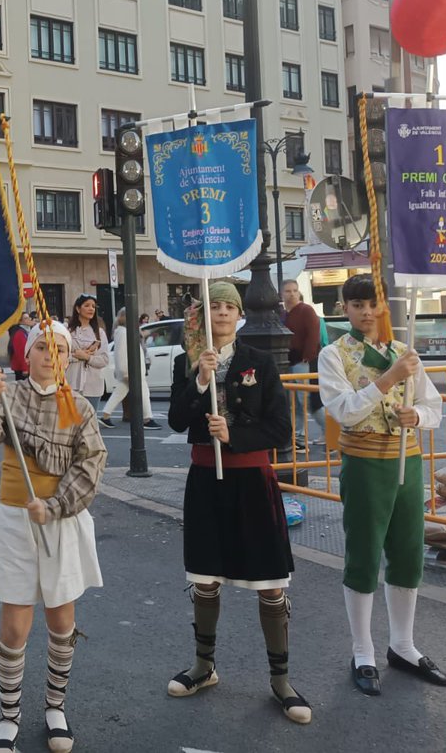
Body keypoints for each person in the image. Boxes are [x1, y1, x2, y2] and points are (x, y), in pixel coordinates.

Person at [165, 281, 311, 725]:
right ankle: (204, 666)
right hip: (205, 480)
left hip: (252, 480)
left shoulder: (260, 363)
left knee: (270, 582)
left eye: (229, 305)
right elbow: (175, 420)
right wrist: (201, 381)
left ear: (239, 314)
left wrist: (236, 436)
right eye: (216, 306)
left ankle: (281, 678)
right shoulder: (186, 362)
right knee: (205, 578)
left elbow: (280, 431)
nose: (223, 313)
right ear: (205, 316)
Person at [0, 321, 106, 752]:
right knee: (14, 626)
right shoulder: (8, 394)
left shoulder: (79, 406)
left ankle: (55, 707)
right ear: (28, 354)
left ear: (68, 358)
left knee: (62, 620)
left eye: (59, 350)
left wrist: (56, 505)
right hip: (13, 519)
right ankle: (9, 717)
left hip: (60, 521)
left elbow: (92, 464)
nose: (50, 356)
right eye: (42, 347)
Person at [318, 274, 446, 697]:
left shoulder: (404, 353)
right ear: (345, 308)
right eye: (357, 304)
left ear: (384, 307)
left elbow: (433, 405)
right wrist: (390, 379)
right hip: (365, 463)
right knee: (364, 555)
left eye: (372, 303)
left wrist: (418, 418)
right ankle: (362, 651)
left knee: (409, 553)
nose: (366, 311)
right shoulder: (333, 355)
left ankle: (403, 644)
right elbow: (345, 412)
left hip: (407, 460)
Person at [99, 308, 160, 431]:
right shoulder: (124, 333)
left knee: (119, 392)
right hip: (131, 370)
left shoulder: (122, 332)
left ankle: (105, 416)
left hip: (129, 370)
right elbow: (121, 353)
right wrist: (125, 371)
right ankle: (147, 419)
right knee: (143, 392)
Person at [281, 280, 323, 447]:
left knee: (305, 401)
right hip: (291, 361)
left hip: (302, 361)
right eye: (288, 291)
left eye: (295, 290)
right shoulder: (285, 314)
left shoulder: (305, 310)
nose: (292, 294)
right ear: (282, 294)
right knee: (296, 403)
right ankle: (298, 438)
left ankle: (302, 437)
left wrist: (308, 355)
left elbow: (314, 333)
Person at [65, 294, 109, 409]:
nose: (91, 309)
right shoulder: (67, 331)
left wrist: (87, 357)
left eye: (93, 306)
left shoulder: (99, 333)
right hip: (71, 383)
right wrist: (76, 356)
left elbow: (104, 360)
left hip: (93, 386)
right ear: (78, 308)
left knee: (90, 422)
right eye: (87, 305)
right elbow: (60, 356)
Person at [8, 312, 35, 382]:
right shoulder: (19, 333)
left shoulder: (25, 331)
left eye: (29, 317)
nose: (29, 319)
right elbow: (21, 352)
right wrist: (25, 368)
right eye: (26, 318)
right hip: (21, 367)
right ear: (20, 321)